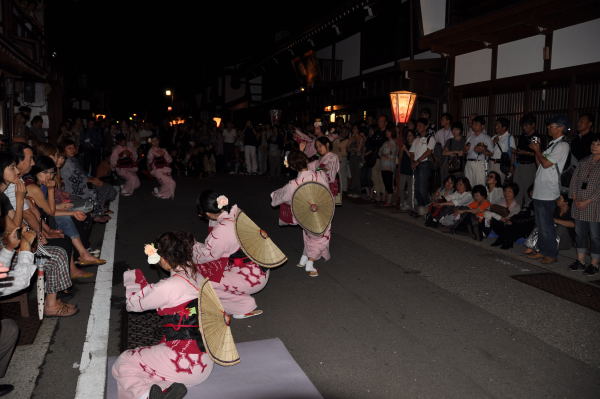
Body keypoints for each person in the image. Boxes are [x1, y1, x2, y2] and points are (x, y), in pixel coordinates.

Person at [112, 232, 213, 399]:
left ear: (165, 260)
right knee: (151, 360)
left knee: (125, 361)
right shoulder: (198, 276)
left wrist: (132, 279)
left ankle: (145, 395)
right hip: (206, 360)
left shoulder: (168, 286)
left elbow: (133, 304)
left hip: (184, 364)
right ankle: (165, 389)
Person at [193, 191, 267, 318]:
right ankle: (237, 300)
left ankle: (242, 306)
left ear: (208, 213)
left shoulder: (222, 230)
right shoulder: (235, 213)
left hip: (250, 275)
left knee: (198, 280)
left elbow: (207, 255)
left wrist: (191, 246)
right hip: (257, 265)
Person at [271, 150, 331, 277]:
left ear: (293, 167)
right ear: (306, 161)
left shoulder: (293, 184)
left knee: (310, 235)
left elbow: (280, 197)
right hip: (321, 212)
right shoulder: (319, 175)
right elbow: (326, 190)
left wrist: (273, 195)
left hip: (304, 216)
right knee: (320, 238)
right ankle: (310, 263)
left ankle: (304, 258)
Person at [528, 115, 571, 264]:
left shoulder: (562, 145)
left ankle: (551, 254)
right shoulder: (552, 144)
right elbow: (540, 163)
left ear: (560, 128)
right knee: (540, 223)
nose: (548, 128)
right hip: (541, 188)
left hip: (549, 190)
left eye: (551, 125)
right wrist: (536, 151)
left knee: (546, 224)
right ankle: (542, 250)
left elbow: (546, 164)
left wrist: (538, 150)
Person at [568, 134, 600, 275]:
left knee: (594, 236)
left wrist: (587, 201)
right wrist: (574, 198)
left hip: (594, 205)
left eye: (598, 144)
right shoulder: (583, 161)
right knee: (579, 234)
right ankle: (580, 261)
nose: (594, 146)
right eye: (593, 144)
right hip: (578, 203)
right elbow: (574, 181)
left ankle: (594, 264)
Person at [513, 114, 543, 206]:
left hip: (529, 165)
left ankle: (527, 209)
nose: (524, 128)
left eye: (526, 125)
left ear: (533, 125)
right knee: (516, 188)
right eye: (523, 125)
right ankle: (516, 209)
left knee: (528, 189)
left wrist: (524, 153)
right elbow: (519, 151)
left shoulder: (535, 137)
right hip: (519, 164)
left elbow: (537, 153)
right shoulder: (523, 136)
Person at [409, 118, 435, 216]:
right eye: (417, 126)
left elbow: (428, 152)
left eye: (420, 126)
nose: (418, 128)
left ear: (426, 126)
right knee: (416, 188)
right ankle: (421, 208)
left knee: (422, 188)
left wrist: (417, 161)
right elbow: (411, 152)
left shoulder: (430, 138)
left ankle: (428, 208)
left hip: (424, 164)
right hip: (416, 164)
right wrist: (413, 161)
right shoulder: (416, 139)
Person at [307, 136, 341, 202]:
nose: (318, 149)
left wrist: (319, 170)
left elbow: (329, 168)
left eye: (320, 146)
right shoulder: (320, 159)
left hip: (329, 184)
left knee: (327, 208)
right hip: (322, 184)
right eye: (317, 147)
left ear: (327, 144)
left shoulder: (333, 156)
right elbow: (308, 166)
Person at [464, 116, 493, 187]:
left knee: (480, 185)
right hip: (469, 163)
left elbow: (491, 153)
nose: (474, 126)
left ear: (482, 126)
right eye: (473, 124)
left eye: (476, 124)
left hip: (479, 163)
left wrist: (483, 150)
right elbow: (465, 151)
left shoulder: (486, 138)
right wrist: (465, 149)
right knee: (468, 185)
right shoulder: (470, 137)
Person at [489, 117, 516, 182]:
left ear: (504, 127)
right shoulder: (494, 137)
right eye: (496, 125)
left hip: (501, 165)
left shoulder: (510, 137)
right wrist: (493, 142)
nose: (496, 127)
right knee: (490, 182)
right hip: (491, 163)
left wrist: (512, 166)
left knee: (499, 183)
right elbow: (489, 150)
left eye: (498, 126)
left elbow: (513, 153)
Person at [395, 130, 415, 211]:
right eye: (407, 136)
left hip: (411, 169)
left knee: (410, 188)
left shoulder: (415, 145)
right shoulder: (405, 145)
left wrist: (406, 149)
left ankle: (410, 204)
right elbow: (400, 157)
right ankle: (402, 203)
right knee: (401, 187)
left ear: (414, 136)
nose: (408, 137)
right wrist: (402, 150)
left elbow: (412, 157)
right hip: (403, 168)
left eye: (410, 135)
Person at [378, 129, 398, 207]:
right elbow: (380, 152)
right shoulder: (385, 143)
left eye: (388, 132)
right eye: (386, 132)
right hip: (383, 165)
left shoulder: (394, 143)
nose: (387, 133)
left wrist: (385, 155)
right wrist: (384, 155)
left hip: (389, 166)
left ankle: (389, 201)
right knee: (386, 183)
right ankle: (387, 200)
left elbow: (392, 155)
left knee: (389, 183)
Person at [347, 125, 365, 198]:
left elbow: (359, 149)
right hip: (352, 157)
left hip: (357, 157)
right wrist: (351, 141)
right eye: (353, 129)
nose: (354, 130)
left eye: (355, 128)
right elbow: (347, 148)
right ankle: (353, 190)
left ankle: (357, 191)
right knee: (353, 174)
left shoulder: (360, 138)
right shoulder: (351, 138)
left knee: (357, 174)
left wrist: (353, 148)